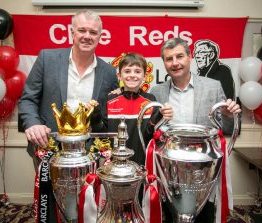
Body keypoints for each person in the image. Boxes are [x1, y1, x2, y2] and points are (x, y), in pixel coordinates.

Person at [150, 37, 241, 223]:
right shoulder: (157, 91)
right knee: (168, 215)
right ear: (164, 63)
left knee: (203, 216)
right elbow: (150, 129)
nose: (175, 63)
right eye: (169, 59)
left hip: (202, 171)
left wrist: (229, 116)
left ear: (189, 57)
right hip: (170, 172)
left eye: (179, 56)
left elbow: (228, 128)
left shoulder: (213, 87)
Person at [18, 9, 119, 170]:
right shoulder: (47, 59)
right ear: (72, 32)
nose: (87, 36)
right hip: (49, 148)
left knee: (88, 195)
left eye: (93, 32)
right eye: (82, 30)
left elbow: (109, 117)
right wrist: (33, 124)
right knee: (48, 196)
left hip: (90, 153)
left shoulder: (109, 72)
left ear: (100, 37)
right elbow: (28, 99)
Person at [92, 52, 173, 166]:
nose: (132, 75)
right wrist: (95, 116)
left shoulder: (150, 101)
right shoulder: (110, 100)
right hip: (113, 166)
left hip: (141, 165)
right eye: (127, 71)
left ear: (144, 76)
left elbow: (150, 134)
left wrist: (160, 115)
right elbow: (102, 134)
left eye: (137, 71)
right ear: (119, 76)